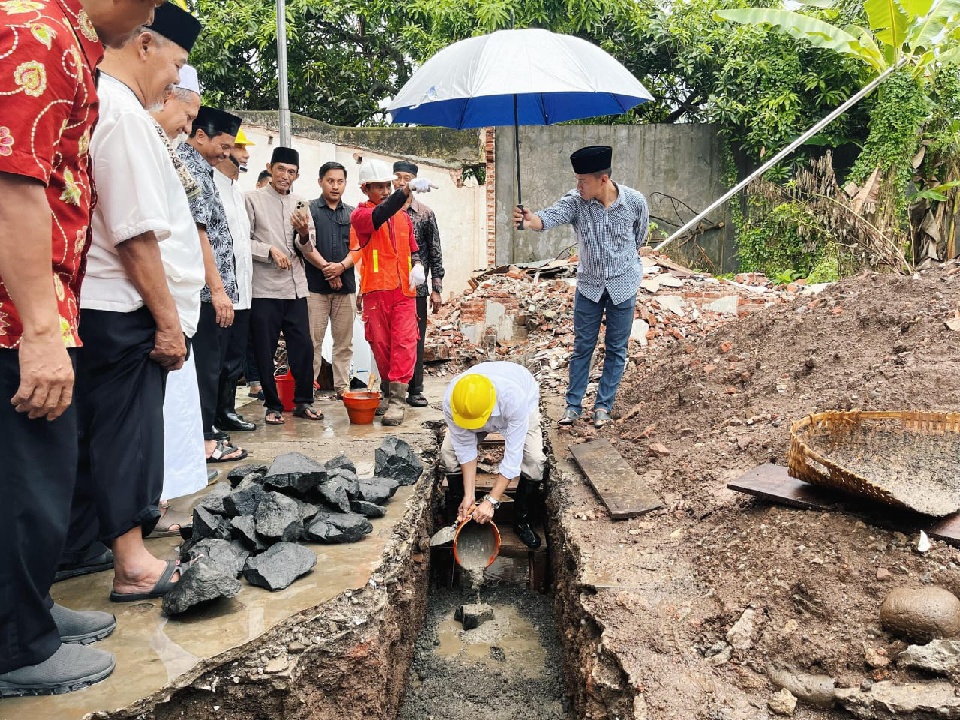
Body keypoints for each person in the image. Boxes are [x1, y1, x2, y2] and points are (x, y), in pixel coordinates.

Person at [0, 0, 163, 697]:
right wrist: (39, 331)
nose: (154, 13)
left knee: (45, 475)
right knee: (22, 482)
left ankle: (27, 613)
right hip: (16, 318)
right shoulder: (33, 33)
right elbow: (16, 183)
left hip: (43, 311)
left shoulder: (67, 40)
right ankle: (16, 647)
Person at [61, 5, 203, 608]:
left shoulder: (109, 103)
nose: (176, 79)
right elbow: (135, 233)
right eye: (175, 63)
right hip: (123, 309)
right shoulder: (121, 112)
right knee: (124, 435)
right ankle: (133, 565)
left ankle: (79, 549)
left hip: (107, 306)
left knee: (93, 436)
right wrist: (169, 325)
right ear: (144, 45)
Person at [514, 146, 648, 429]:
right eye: (576, 180)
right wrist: (530, 219)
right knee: (582, 346)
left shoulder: (635, 202)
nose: (578, 186)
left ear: (603, 179)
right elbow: (548, 218)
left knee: (616, 348)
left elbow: (640, 237)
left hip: (623, 284)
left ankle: (603, 406)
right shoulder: (576, 202)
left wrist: (624, 265)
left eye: (583, 180)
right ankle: (573, 406)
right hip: (589, 286)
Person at [149, 65, 207, 506]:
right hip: (156, 306)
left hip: (177, 307)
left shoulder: (167, 147)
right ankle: (151, 500)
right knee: (153, 417)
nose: (188, 131)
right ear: (165, 96)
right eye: (186, 119)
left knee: (176, 409)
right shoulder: (136, 134)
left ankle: (161, 495)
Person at [178, 105, 249, 462]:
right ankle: (205, 439)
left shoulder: (202, 168)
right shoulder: (188, 166)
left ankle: (206, 432)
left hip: (213, 287)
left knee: (212, 363)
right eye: (223, 145)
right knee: (205, 365)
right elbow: (200, 231)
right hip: (205, 291)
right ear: (201, 135)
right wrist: (218, 290)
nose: (227, 152)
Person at [246, 146, 326, 425]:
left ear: (297, 175)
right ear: (270, 168)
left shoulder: (301, 204)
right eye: (280, 169)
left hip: (295, 289)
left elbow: (307, 246)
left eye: (291, 172)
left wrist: (304, 233)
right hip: (265, 289)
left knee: (303, 347)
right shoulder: (252, 199)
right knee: (264, 349)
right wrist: (268, 250)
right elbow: (242, 240)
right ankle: (272, 405)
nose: (285, 176)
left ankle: (304, 401)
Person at [349, 160, 430, 427]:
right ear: (365, 189)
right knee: (381, 345)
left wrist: (417, 265)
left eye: (388, 185)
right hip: (375, 290)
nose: (384, 191)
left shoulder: (403, 217)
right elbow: (379, 214)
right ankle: (386, 390)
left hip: (404, 291)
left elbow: (414, 247)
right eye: (378, 186)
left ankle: (397, 401)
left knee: (405, 343)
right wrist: (404, 193)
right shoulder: (360, 216)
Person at [441, 362, 545, 549]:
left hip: (518, 405)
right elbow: (464, 448)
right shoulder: (453, 400)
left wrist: (492, 500)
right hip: (475, 410)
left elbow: (513, 457)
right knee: (448, 453)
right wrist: (470, 495)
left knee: (534, 460)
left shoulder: (513, 399)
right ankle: (461, 516)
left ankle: (523, 521)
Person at [213, 129, 257, 432]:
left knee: (234, 358)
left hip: (243, 291)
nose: (246, 155)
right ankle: (212, 416)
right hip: (221, 293)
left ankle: (226, 410)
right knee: (215, 360)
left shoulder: (236, 193)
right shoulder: (211, 189)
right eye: (240, 148)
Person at [391, 161, 444, 407]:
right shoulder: (384, 210)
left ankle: (415, 389)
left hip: (417, 288)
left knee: (415, 338)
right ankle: (390, 389)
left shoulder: (425, 213)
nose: (402, 182)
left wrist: (436, 288)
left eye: (407, 177)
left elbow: (435, 252)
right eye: (398, 177)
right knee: (390, 339)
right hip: (389, 285)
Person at [308, 162, 356, 399]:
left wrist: (341, 268)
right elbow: (304, 245)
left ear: (345, 184)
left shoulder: (353, 214)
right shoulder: (310, 211)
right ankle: (308, 389)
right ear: (320, 182)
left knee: (344, 343)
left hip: (346, 288)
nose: (335, 186)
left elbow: (359, 248)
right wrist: (328, 270)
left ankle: (342, 388)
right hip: (315, 288)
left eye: (340, 181)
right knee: (313, 342)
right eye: (330, 181)